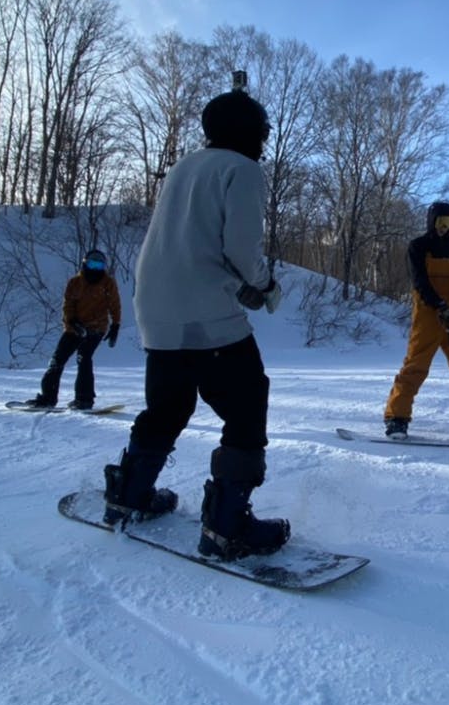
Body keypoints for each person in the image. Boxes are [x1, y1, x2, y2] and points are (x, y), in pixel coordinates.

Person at [101, 81, 291, 561]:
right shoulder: (243, 170)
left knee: (168, 407)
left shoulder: (184, 166)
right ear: (251, 133)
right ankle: (227, 526)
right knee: (247, 405)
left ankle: (129, 494)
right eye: (262, 134)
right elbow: (241, 250)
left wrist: (236, 279)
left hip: (155, 309)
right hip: (205, 313)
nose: (263, 143)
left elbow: (196, 240)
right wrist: (264, 285)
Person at [383, 201, 449, 443]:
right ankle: (396, 419)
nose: (445, 228)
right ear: (431, 223)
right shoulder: (418, 247)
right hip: (428, 315)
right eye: (440, 223)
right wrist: (440, 306)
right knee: (415, 367)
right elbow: (419, 281)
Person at [21, 249, 121, 409]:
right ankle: (48, 397)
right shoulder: (75, 283)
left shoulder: (108, 283)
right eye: (92, 264)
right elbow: (68, 305)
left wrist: (116, 325)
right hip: (74, 328)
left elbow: (115, 305)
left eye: (99, 265)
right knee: (57, 360)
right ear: (85, 264)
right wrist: (72, 322)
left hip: (96, 328)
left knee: (83, 357)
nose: (95, 269)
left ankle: (84, 399)